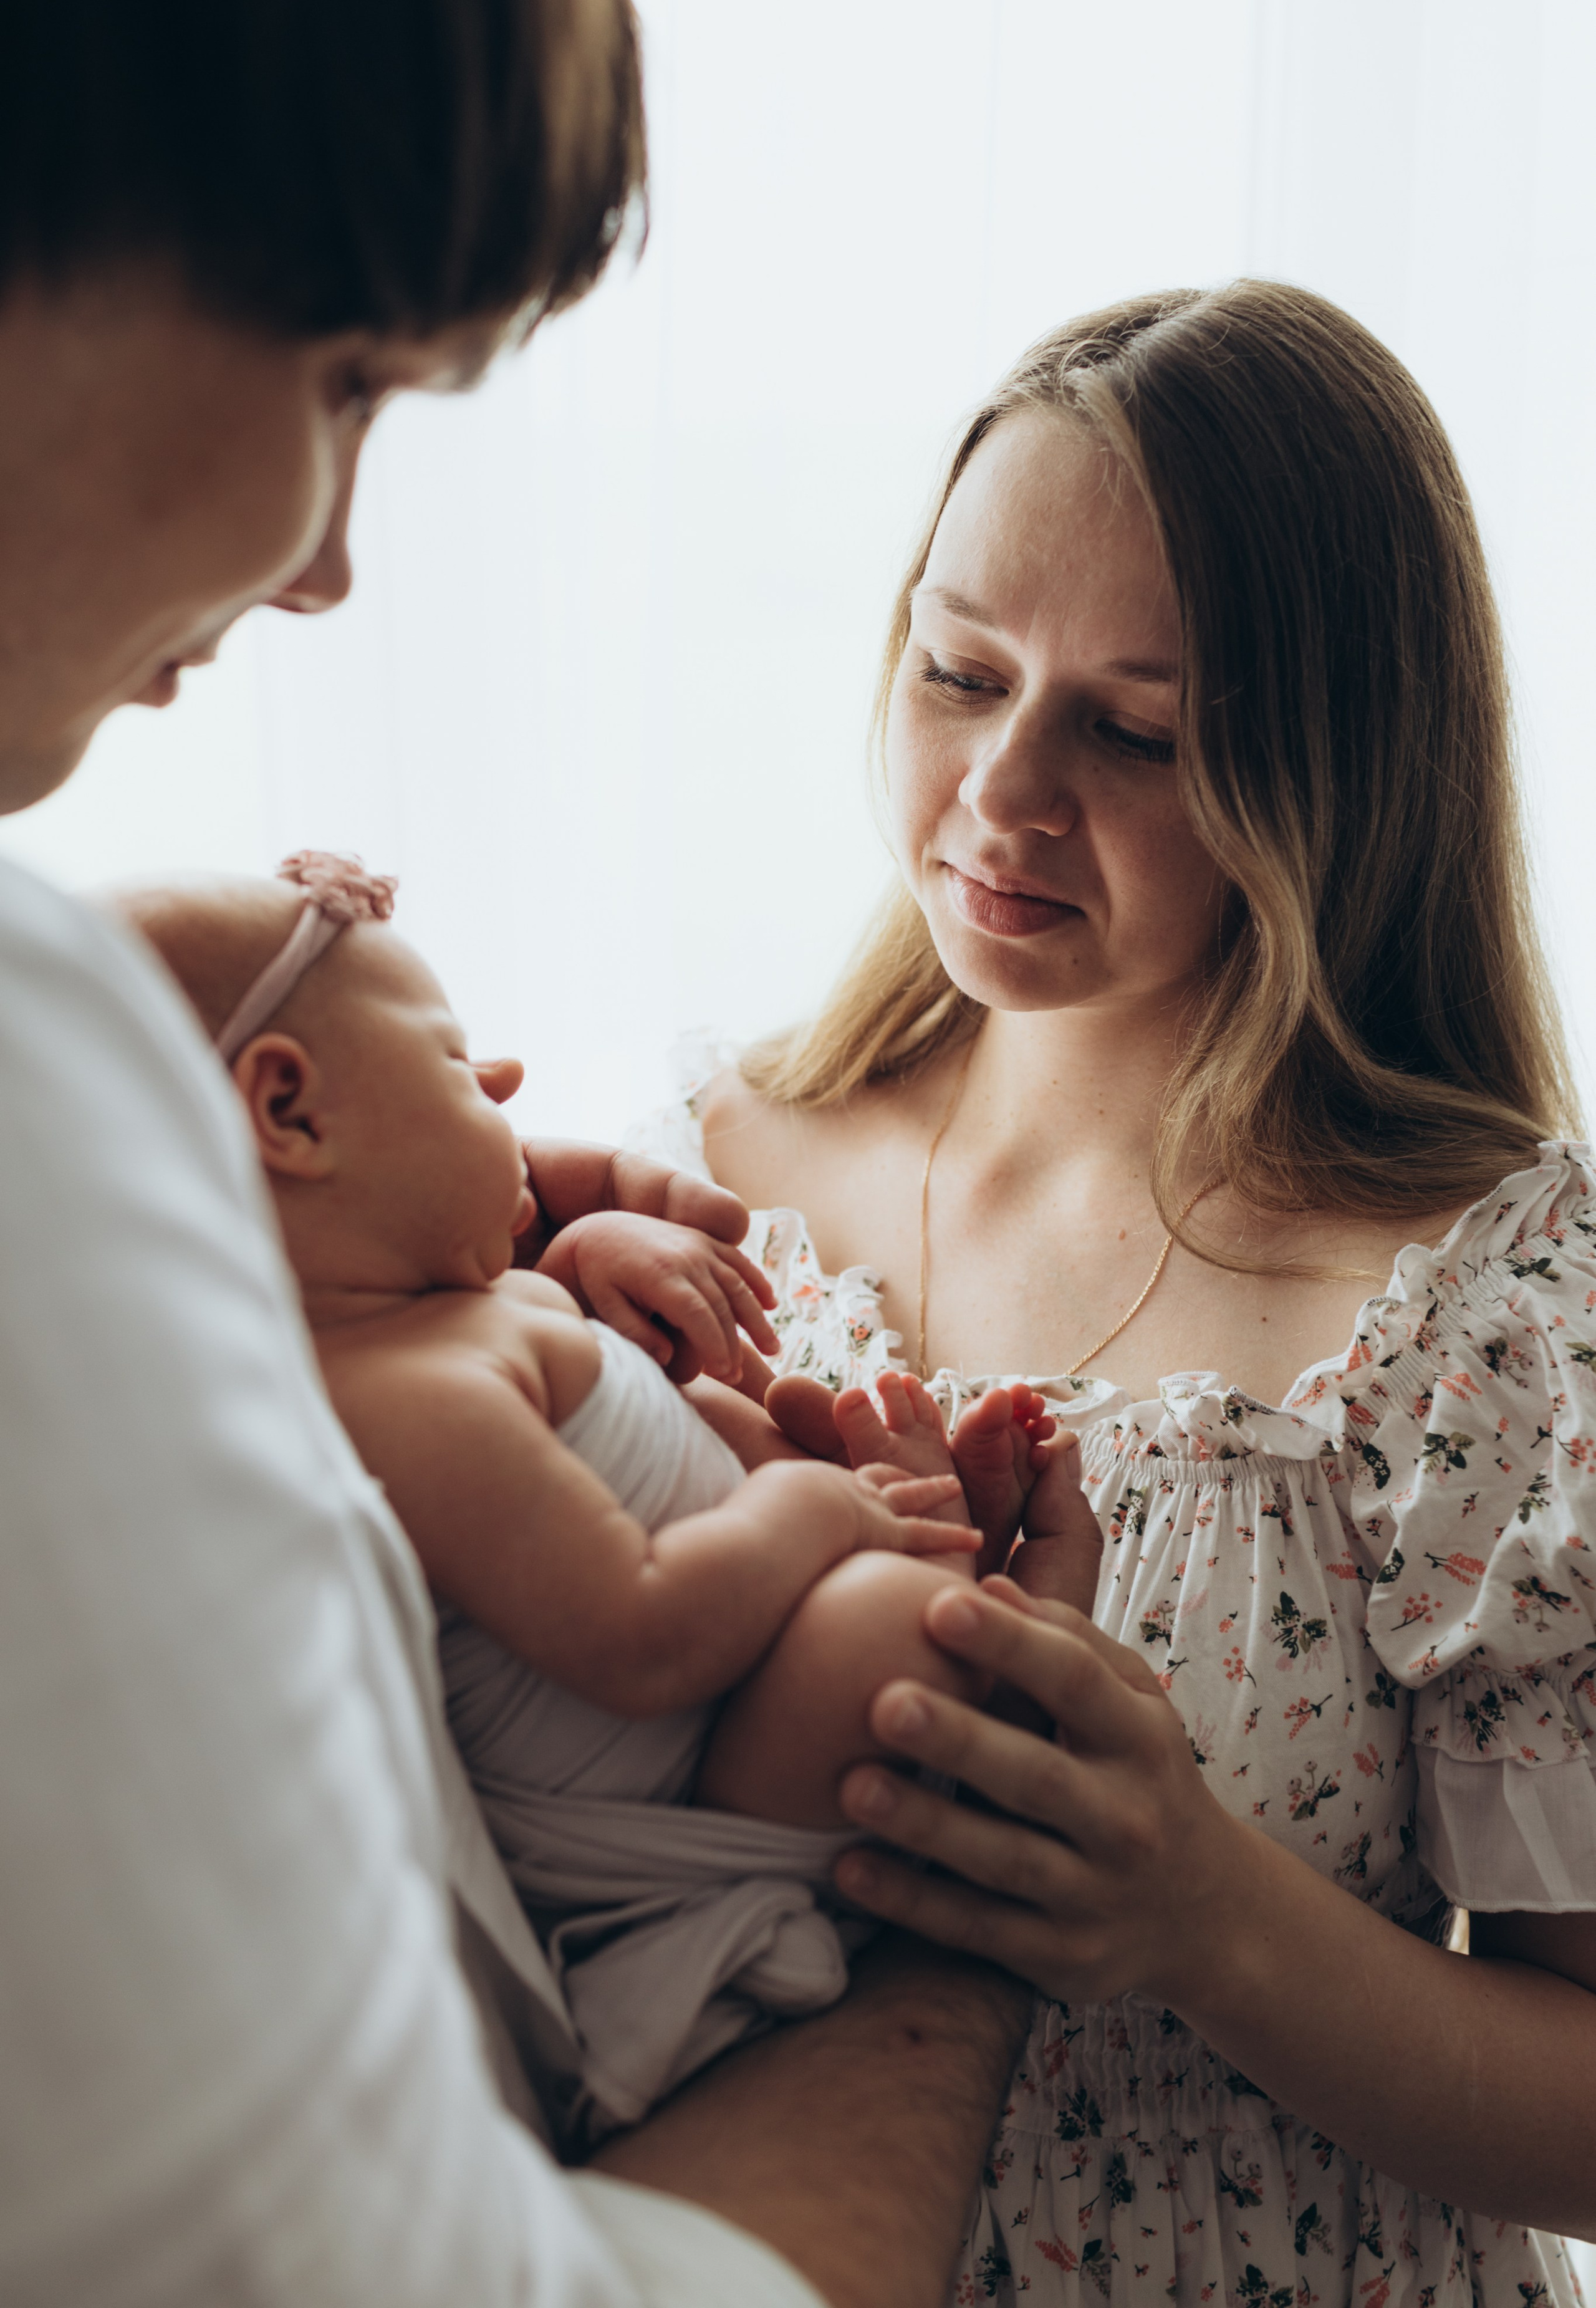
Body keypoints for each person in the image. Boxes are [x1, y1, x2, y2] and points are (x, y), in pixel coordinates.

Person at [0, 0, 1038, 2304]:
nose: (334, 557)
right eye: (346, 370)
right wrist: (968, 1932)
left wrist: (526, 1225)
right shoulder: (39, 1078)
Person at [656, 282, 1596, 2304]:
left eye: (1135, 731)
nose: (1003, 794)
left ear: (1334, 771)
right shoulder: (698, 1191)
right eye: (957, 667)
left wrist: (1204, 1916)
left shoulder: (1481, 1316)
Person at [117, 852, 1080, 2136]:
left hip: (724, 1685)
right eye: (455, 1064)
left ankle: (910, 1518)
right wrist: (819, 1515)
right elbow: (641, 1636)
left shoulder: (440, 1311)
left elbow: (559, 1300)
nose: (507, 1085)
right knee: (890, 1628)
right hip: (679, 1815)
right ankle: (918, 1542)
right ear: (289, 1114)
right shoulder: (399, 1399)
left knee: (745, 1414)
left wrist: (595, 1236)